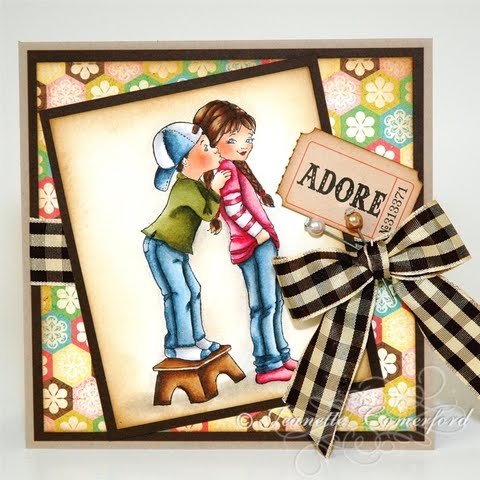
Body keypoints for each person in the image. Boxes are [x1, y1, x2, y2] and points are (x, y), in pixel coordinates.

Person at [193, 100, 297, 384]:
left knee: (274, 302)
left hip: (261, 244)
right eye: (233, 139)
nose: (244, 145)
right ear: (212, 141)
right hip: (254, 246)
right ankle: (267, 364)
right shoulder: (226, 170)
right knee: (263, 306)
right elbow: (235, 209)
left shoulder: (237, 167)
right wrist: (259, 234)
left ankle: (281, 355)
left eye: (248, 139)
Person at [142, 122, 231, 361]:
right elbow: (207, 212)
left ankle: (197, 338)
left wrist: (211, 189)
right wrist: (216, 189)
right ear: (185, 160)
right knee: (179, 294)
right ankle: (180, 346)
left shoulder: (194, 185)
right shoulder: (185, 187)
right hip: (161, 246)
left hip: (174, 248)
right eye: (205, 147)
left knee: (193, 290)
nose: (214, 150)